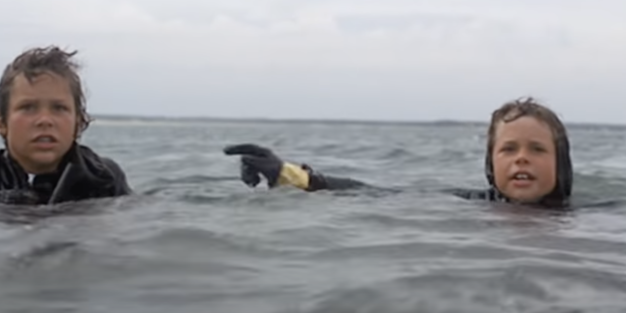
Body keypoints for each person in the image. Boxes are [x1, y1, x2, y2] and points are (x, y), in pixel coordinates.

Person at [223, 97, 573, 208]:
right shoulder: (473, 203)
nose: (521, 157)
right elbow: (374, 193)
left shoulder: (586, 219)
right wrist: (291, 174)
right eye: (508, 149)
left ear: (561, 166)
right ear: (490, 164)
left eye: (537, 149)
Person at [0, 46, 132, 205]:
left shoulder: (103, 177)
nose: (45, 120)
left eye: (59, 108)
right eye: (28, 108)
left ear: (79, 122)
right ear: (0, 121)